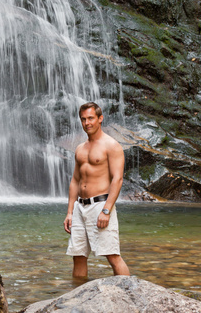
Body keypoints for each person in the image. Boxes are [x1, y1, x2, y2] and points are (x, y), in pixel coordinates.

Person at [64, 101, 130, 278]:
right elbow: (75, 180)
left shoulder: (112, 145)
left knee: (112, 255)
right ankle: (77, 298)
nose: (87, 123)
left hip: (100, 205)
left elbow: (118, 179)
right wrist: (70, 212)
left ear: (100, 119)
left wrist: (106, 210)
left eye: (91, 118)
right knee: (78, 256)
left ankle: (130, 295)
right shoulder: (80, 149)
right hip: (80, 207)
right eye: (83, 119)